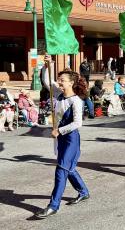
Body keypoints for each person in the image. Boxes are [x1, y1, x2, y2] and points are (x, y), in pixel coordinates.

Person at [36, 55, 90, 218]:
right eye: (59, 80)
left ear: (71, 82)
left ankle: (54, 205)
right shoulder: (59, 94)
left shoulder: (76, 101)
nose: (59, 82)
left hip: (71, 139)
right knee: (69, 169)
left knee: (61, 170)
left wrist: (60, 131)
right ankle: (83, 191)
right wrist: (47, 65)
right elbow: (47, 81)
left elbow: (77, 123)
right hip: (59, 139)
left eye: (62, 80)